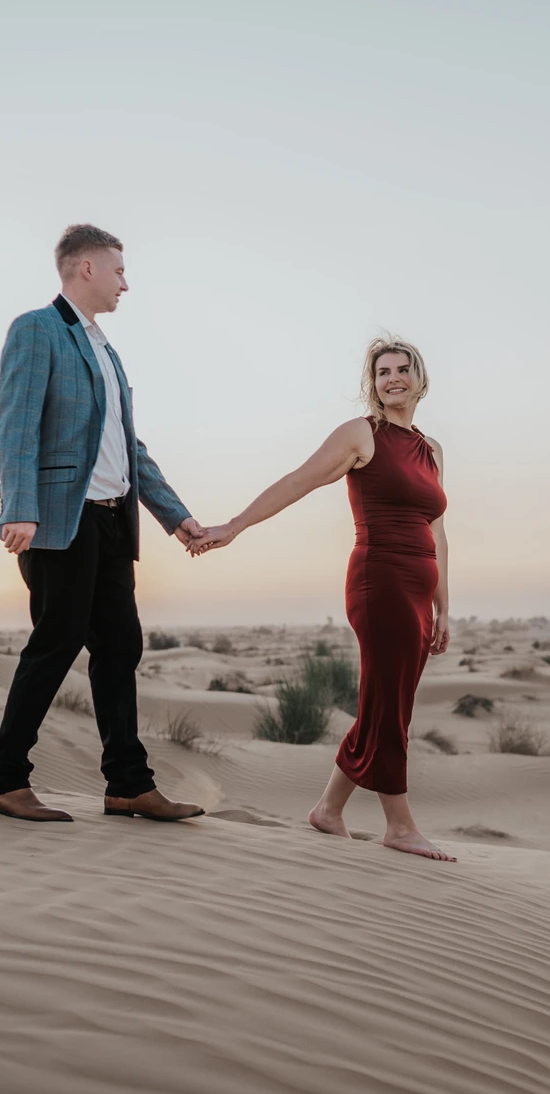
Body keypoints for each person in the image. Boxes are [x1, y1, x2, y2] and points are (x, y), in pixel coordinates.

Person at [0, 224, 208, 824]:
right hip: (57, 519)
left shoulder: (104, 346)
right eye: (119, 270)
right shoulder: (37, 329)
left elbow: (129, 447)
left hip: (109, 523)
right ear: (85, 269)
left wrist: (174, 517)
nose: (127, 283)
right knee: (56, 643)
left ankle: (128, 784)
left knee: (121, 646)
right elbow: (16, 424)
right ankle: (3, 779)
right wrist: (20, 506)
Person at [193, 336, 453, 861]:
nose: (393, 378)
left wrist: (445, 606)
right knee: (390, 707)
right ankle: (399, 826)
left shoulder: (432, 449)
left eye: (403, 369)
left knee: (384, 704)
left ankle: (328, 811)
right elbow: (297, 482)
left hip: (419, 589)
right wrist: (236, 525)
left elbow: (439, 532)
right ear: (372, 382)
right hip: (378, 581)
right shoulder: (362, 434)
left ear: (420, 378)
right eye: (383, 372)